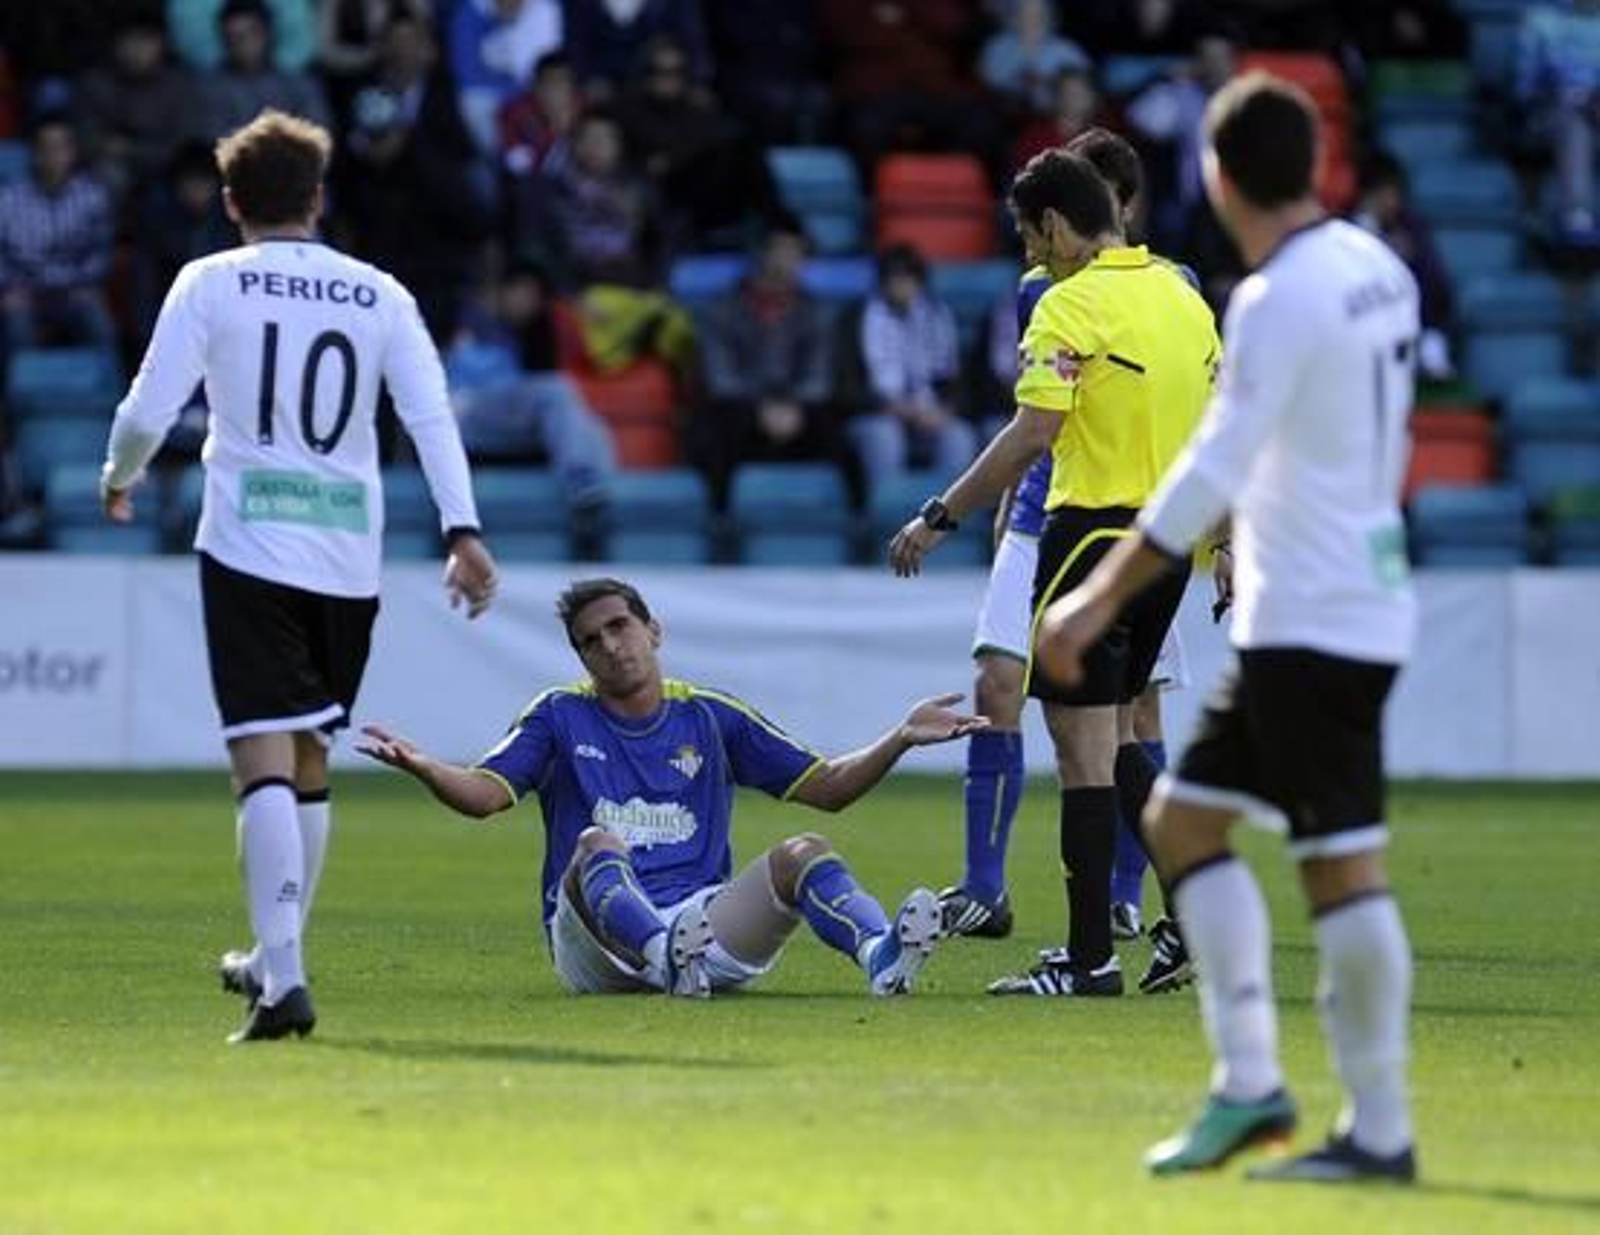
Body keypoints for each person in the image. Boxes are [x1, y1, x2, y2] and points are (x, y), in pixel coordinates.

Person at [1034, 73, 1421, 1182]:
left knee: (1340, 867)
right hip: (1355, 595)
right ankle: (1254, 1087)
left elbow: (1211, 469)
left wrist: (1093, 600)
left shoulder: (1278, 298)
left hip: (1309, 616)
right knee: (1190, 825)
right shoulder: (1375, 269)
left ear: (1217, 174)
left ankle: (1362, 1124)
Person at [99, 109, 499, 1043]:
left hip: (247, 544)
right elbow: (431, 417)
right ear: (317, 199)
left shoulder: (209, 280)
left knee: (259, 756)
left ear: (231, 201)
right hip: (347, 556)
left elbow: (147, 407)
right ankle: (274, 953)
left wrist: (117, 478)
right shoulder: (380, 293)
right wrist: (463, 528)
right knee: (310, 754)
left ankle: (283, 981)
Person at [889, 146, 1217, 999]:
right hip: (1168, 548)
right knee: (1117, 738)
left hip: (1086, 538)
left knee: (1083, 754)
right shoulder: (1186, 301)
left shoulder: (1069, 305)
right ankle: (1193, 913)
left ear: (1060, 224)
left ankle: (1088, 961)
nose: (1032, 254)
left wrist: (940, 513)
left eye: (1033, 236)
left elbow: (1033, 433)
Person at [357, 577, 987, 997]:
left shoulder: (710, 716)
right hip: (595, 949)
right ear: (582, 660)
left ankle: (882, 960)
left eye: (619, 627)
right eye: (592, 641)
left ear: (652, 631)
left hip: (703, 926)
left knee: (806, 851)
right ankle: (665, 958)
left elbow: (828, 786)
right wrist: (425, 765)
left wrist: (900, 736)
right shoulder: (558, 715)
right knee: (597, 842)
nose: (611, 646)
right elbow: (487, 795)